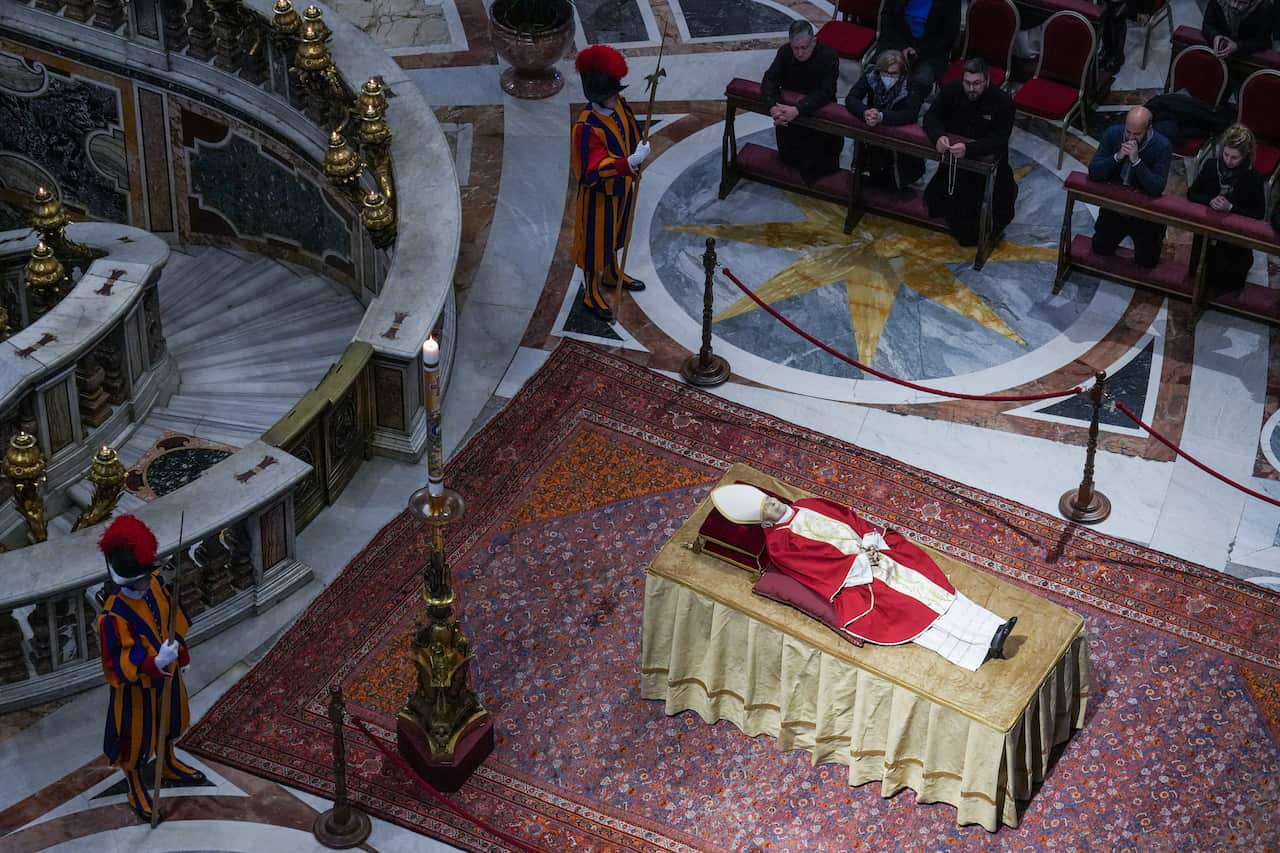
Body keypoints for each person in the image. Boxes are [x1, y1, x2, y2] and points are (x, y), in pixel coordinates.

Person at [712, 484, 1017, 670]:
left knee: (933, 586)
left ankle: (993, 626)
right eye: (769, 508)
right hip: (855, 580)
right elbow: (817, 569)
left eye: (772, 500)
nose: (775, 505)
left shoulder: (806, 505)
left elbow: (849, 518)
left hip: (871, 551)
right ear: (763, 519)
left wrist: (870, 542)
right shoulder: (779, 545)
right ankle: (982, 642)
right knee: (914, 607)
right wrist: (864, 562)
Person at [97, 514, 205, 824]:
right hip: (136, 689)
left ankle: (168, 762)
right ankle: (135, 786)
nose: (148, 583)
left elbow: (172, 617)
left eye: (148, 577)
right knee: (135, 738)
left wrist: (177, 648)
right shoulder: (112, 616)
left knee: (171, 720)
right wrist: (153, 662)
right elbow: (116, 660)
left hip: (167, 677)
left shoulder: (154, 583)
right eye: (141, 580)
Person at [571, 44, 650, 323]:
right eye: (611, 94)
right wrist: (626, 163)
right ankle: (591, 291)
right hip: (598, 197)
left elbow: (631, 131)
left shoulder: (620, 107)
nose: (617, 97)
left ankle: (613, 272)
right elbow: (590, 169)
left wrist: (639, 150)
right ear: (598, 95)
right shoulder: (585, 127)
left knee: (618, 234)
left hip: (621, 189)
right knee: (594, 244)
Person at [922, 58, 1018, 247]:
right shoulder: (952, 91)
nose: (971, 88)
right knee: (936, 204)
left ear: (987, 81)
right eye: (967, 83)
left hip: (985, 168)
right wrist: (939, 136)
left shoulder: (1003, 102)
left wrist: (969, 149)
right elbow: (931, 116)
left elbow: (999, 140)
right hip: (954, 167)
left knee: (971, 231)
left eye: (977, 84)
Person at [1088, 106, 1172, 269]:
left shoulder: (1162, 146)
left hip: (1144, 212)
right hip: (1116, 206)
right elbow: (1094, 172)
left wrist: (1137, 162)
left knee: (1147, 261)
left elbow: (1156, 187)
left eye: (1137, 134)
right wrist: (1117, 157)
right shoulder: (1113, 134)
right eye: (1128, 132)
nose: (1131, 137)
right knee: (1100, 248)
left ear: (1149, 128)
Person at [761, 20, 843, 185]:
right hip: (788, 121)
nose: (799, 53)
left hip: (818, 116)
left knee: (816, 167)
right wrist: (773, 107)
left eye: (804, 48)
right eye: (795, 48)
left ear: (814, 41)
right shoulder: (785, 52)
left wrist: (798, 109)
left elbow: (826, 92)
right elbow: (769, 80)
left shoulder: (829, 56)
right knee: (789, 161)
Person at [1187, 124, 1267, 292]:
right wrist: (1209, 201)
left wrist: (1231, 207)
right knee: (1198, 278)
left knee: (1226, 285)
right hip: (1206, 236)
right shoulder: (1211, 166)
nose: (1228, 161)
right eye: (1226, 155)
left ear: (1245, 156)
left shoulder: (1253, 178)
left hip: (1234, 243)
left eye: (1234, 157)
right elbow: (1192, 194)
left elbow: (1258, 214)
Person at [844, 50, 926, 190]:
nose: (888, 77)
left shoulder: (912, 84)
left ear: (902, 72)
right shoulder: (872, 75)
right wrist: (865, 112)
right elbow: (851, 98)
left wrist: (881, 116)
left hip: (899, 136)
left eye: (893, 73)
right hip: (872, 129)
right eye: (885, 73)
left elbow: (910, 114)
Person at [876, 0, 962, 87]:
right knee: (875, 73)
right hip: (897, 41)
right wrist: (902, 48)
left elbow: (949, 35)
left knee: (920, 82)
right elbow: (886, 18)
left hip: (930, 50)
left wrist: (918, 51)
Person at [1202, 0, 1275, 60]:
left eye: (1242, 2)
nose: (1234, 6)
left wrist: (1237, 46)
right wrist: (1215, 36)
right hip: (1220, 55)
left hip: (1249, 59)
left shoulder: (1265, 7)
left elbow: (1262, 41)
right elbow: (1208, 24)